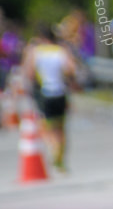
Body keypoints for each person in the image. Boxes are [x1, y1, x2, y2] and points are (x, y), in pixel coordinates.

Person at [21, 25, 76, 172]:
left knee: (46, 128)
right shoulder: (61, 50)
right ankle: (60, 156)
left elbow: (30, 73)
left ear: (41, 38)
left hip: (45, 92)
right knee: (61, 128)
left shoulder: (36, 52)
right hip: (61, 92)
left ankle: (54, 151)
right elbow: (71, 69)